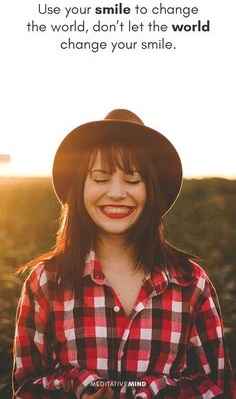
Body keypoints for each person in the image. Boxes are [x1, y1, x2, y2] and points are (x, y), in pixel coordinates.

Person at [13, 109, 236, 399]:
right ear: (80, 188)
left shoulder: (191, 283)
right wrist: (76, 385)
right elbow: (26, 387)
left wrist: (151, 392)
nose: (117, 193)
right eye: (101, 178)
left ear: (151, 190)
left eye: (133, 180)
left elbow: (218, 389)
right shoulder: (45, 282)